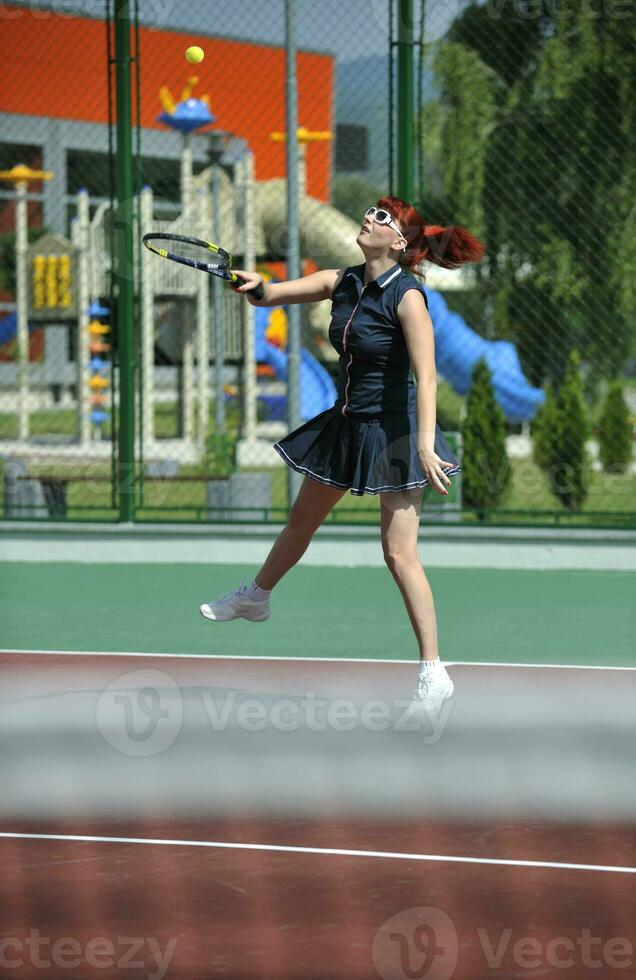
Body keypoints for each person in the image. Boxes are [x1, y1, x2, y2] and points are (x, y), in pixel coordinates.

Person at [200, 196, 485, 708]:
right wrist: (251, 282)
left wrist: (423, 442)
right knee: (300, 521)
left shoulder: (408, 298)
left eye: (384, 217)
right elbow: (270, 295)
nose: (370, 219)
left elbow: (427, 376)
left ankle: (433, 672)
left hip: (398, 432)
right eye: (372, 211)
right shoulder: (341, 281)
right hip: (348, 424)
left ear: (399, 241)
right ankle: (255, 597)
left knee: (399, 554)